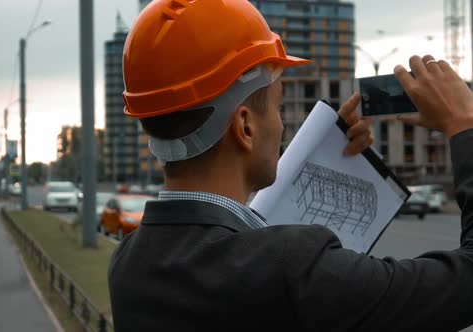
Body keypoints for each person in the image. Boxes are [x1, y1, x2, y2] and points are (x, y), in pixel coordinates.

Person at [108, 0, 473, 331]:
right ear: (245, 126)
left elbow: (247, 252)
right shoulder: (291, 269)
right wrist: (464, 125)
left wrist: (325, 155)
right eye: (280, 108)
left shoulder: (129, 260)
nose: (281, 127)